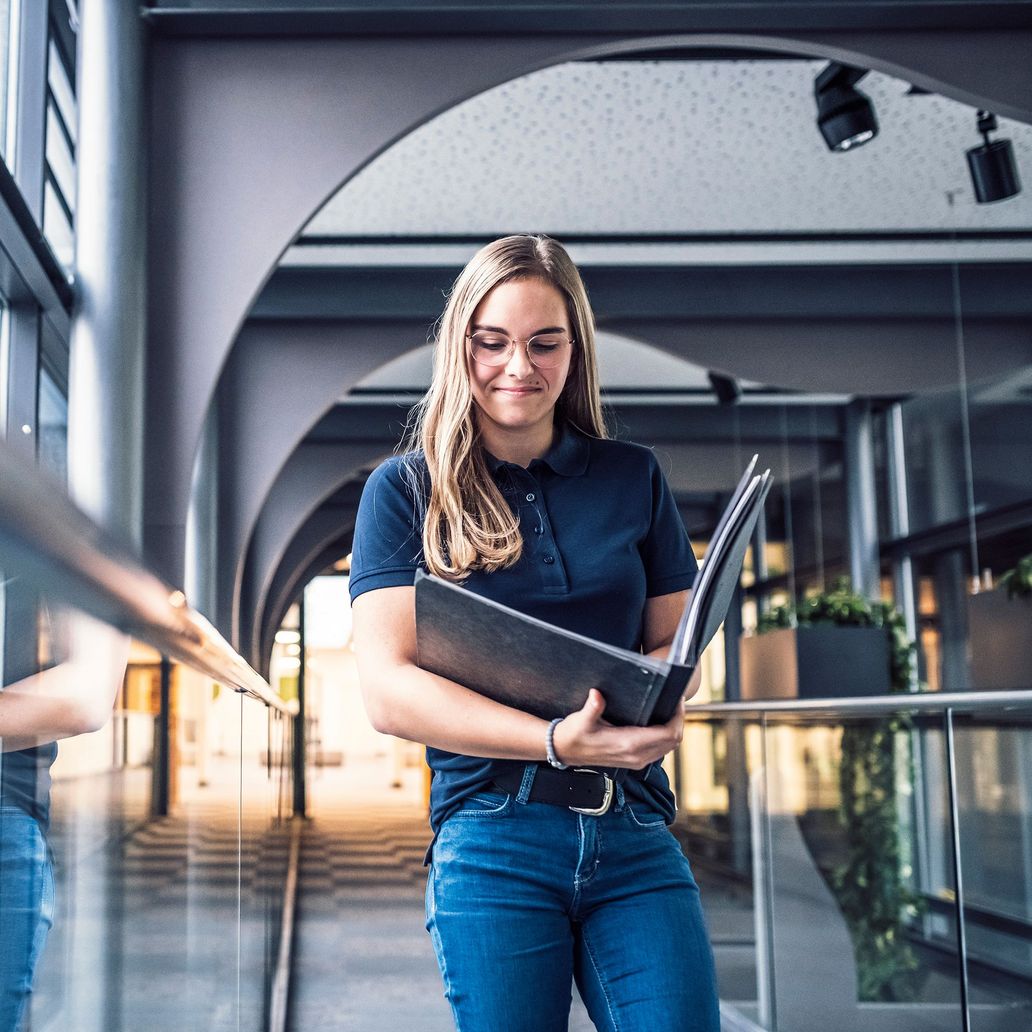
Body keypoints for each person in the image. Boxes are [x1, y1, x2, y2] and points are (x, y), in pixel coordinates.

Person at [349, 234, 720, 1032]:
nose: (519, 366)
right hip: (492, 836)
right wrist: (557, 740)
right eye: (493, 342)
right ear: (462, 348)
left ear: (575, 350)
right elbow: (387, 691)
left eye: (545, 342)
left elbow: (673, 646)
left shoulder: (634, 476)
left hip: (633, 828)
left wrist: (658, 702)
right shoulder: (404, 491)